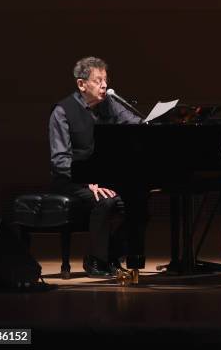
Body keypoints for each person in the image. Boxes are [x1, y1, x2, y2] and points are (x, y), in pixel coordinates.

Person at [49, 56, 148, 277]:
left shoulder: (110, 104)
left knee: (136, 203)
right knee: (105, 201)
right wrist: (87, 179)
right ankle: (95, 261)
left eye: (105, 79)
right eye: (98, 80)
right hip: (71, 180)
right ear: (82, 84)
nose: (104, 85)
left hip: (101, 178)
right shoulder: (62, 111)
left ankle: (112, 255)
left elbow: (137, 125)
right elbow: (60, 160)